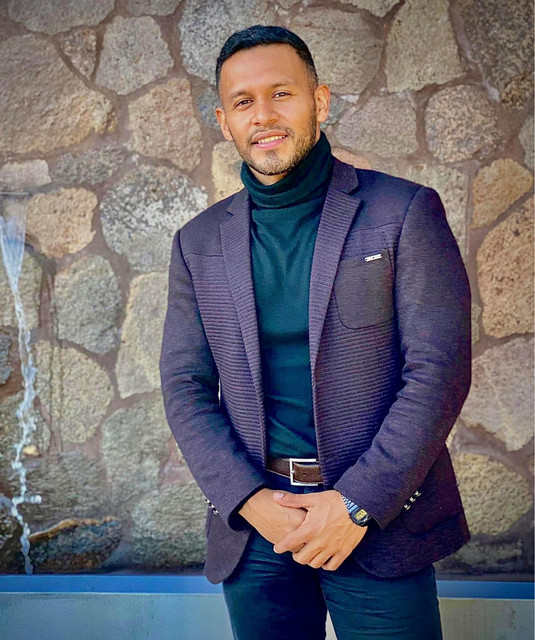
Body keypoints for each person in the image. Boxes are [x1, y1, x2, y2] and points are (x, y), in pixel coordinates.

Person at [159, 25, 471, 640]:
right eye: (243, 102)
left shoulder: (404, 212)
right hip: (258, 528)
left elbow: (439, 372)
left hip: (376, 521)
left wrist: (356, 503)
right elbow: (184, 386)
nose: (263, 115)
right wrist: (249, 501)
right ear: (224, 121)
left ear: (320, 102)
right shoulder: (197, 242)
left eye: (282, 93)